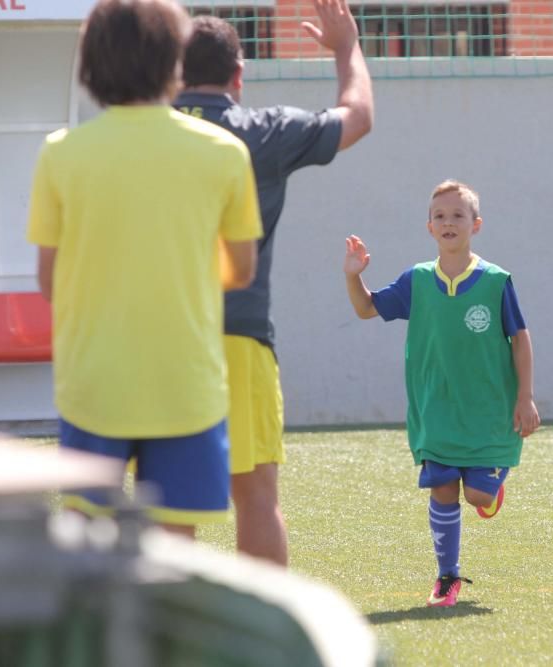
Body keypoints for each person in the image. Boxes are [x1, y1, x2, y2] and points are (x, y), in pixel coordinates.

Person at [26, 0, 262, 538]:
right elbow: (241, 269)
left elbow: (48, 281)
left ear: (89, 65)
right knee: (173, 551)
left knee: (83, 534)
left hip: (92, 383)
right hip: (185, 383)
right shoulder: (225, 152)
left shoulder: (60, 154)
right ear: (173, 61)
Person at [173, 0, 373, 565]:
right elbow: (356, 117)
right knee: (256, 497)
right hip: (240, 335)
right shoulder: (263, 131)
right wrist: (345, 48)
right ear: (239, 76)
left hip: (161, 338)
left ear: (173, 73)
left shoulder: (144, 136)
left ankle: (164, 641)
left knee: (170, 503)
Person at [344, 180, 541, 607]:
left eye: (458, 215)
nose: (448, 222)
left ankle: (491, 487)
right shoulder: (415, 280)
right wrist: (353, 276)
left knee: (479, 497)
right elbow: (365, 308)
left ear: (476, 224)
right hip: (435, 409)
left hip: (488, 411)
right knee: (444, 488)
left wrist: (525, 397)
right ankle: (446, 578)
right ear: (429, 227)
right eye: (440, 216)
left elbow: (520, 337)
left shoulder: (495, 281)